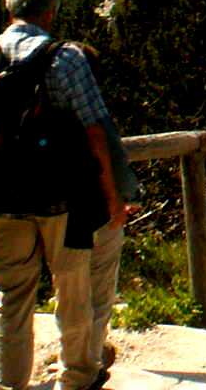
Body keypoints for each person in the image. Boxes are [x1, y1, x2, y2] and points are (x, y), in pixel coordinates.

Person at [0, 0, 122, 390]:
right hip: (63, 199)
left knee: (8, 297)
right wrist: (111, 196)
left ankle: (10, 383)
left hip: (2, 197)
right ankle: (75, 379)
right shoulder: (67, 58)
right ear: (50, 13)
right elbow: (96, 132)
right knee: (72, 293)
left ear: (9, 11)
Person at [67, 44, 140, 381]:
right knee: (98, 293)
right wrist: (122, 200)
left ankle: (74, 355)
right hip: (99, 210)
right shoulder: (92, 112)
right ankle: (88, 364)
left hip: (57, 212)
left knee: (69, 291)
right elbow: (112, 154)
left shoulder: (51, 103)